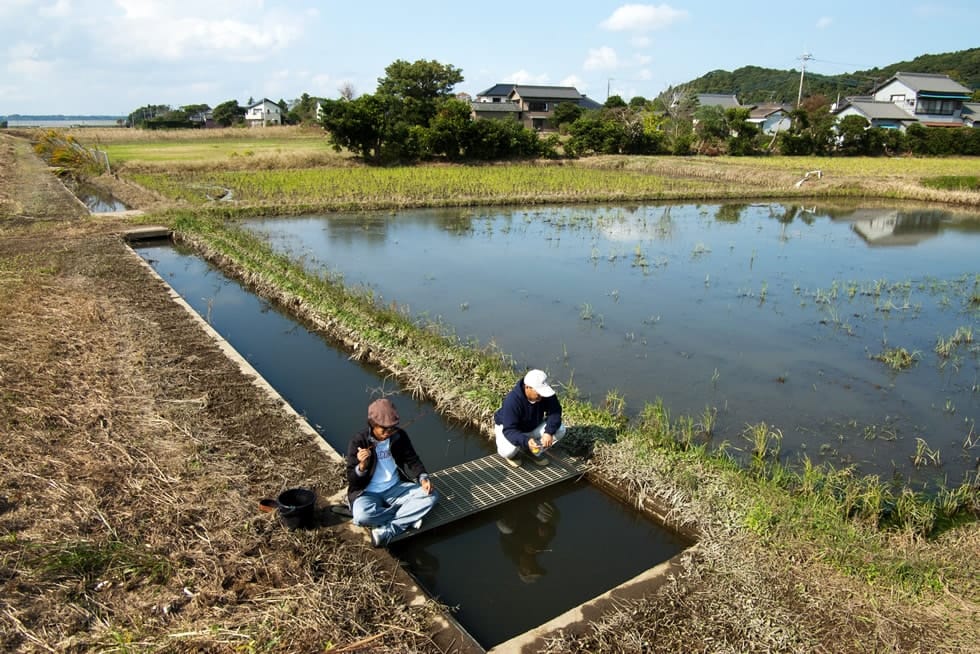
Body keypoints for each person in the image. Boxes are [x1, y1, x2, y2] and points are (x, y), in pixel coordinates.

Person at [346, 398, 438, 547]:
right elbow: (353, 480)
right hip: (368, 492)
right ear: (373, 425)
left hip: (396, 487)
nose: (388, 433)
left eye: (392, 428)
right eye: (384, 429)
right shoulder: (359, 441)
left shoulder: (399, 436)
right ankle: (408, 516)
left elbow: (413, 460)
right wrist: (362, 466)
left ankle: (388, 530)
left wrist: (423, 478)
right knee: (361, 516)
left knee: (431, 496)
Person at [493, 369, 566, 468]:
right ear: (527, 387)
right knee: (507, 452)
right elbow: (509, 430)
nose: (541, 395)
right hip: (510, 429)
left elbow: (555, 412)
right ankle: (514, 455)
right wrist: (526, 441)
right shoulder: (512, 401)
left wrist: (548, 432)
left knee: (560, 429)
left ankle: (535, 451)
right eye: (538, 392)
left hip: (532, 426)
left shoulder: (545, 395)